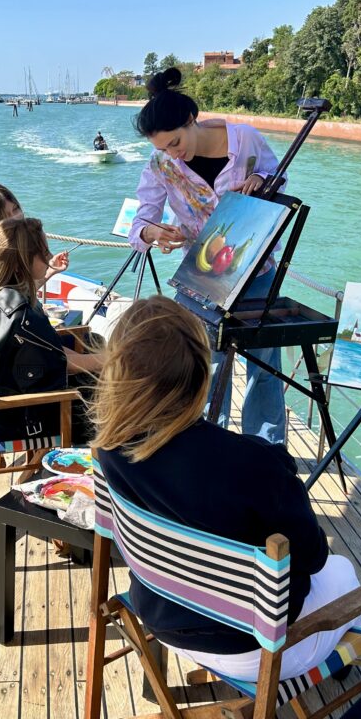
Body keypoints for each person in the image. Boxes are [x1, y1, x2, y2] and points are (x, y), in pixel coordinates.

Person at [91, 296, 361, 682]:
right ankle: (344, 667)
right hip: (253, 651)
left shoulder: (109, 447)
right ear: (201, 374)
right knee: (342, 570)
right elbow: (314, 558)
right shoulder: (255, 463)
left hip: (158, 617)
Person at [128, 67, 286, 444]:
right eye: (164, 149)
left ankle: (266, 451)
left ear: (190, 119)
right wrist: (152, 232)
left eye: (176, 142)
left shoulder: (244, 139)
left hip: (257, 269)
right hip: (201, 277)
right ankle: (210, 446)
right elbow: (142, 219)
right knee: (204, 365)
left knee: (264, 368)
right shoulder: (162, 164)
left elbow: (277, 176)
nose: (174, 153)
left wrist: (262, 181)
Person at [0, 216, 102, 443]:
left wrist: (100, 360)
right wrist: (111, 359)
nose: (49, 258)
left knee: (97, 364)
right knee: (109, 399)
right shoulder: (21, 314)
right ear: (22, 261)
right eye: (44, 253)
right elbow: (64, 364)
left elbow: (55, 353)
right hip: (12, 420)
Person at [0, 182, 69, 280]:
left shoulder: (13, 245)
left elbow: (21, 287)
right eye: (4, 215)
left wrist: (51, 269)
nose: (14, 217)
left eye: (15, 209)